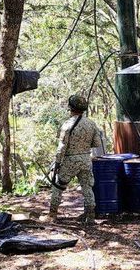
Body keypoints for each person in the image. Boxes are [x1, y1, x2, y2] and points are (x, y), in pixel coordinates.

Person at [45, 95, 106, 223]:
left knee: (58, 186)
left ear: (70, 108)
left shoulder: (67, 125)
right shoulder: (91, 124)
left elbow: (62, 147)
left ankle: (52, 215)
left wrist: (57, 162)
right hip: (85, 159)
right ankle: (90, 217)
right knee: (87, 188)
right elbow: (97, 144)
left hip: (70, 160)